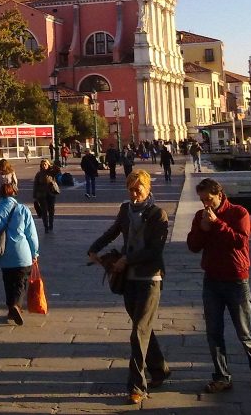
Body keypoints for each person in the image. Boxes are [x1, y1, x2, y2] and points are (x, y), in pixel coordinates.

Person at [87, 170, 170, 405]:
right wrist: (94, 248)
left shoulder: (158, 214)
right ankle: (160, 369)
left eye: (138, 189)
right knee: (142, 328)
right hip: (128, 279)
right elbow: (113, 231)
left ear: (147, 188)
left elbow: (155, 250)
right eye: (131, 189)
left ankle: (136, 386)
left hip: (150, 278)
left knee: (138, 332)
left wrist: (127, 260)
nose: (134, 194)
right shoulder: (125, 209)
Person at [187, 178, 251, 393]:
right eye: (202, 200)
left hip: (236, 280)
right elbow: (193, 246)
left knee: (245, 332)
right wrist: (202, 228)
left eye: (209, 199)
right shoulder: (200, 216)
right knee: (213, 332)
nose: (206, 204)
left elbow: (240, 241)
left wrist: (218, 224)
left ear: (219, 194)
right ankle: (222, 376)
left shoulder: (239, 213)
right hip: (211, 280)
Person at [0, 183, 39, 325]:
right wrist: (35, 252)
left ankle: (10, 308)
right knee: (21, 282)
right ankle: (16, 305)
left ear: (0, 194)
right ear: (14, 193)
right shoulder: (23, 210)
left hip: (3, 253)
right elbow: (31, 234)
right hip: (22, 252)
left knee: (8, 281)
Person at [32, 159, 60, 234]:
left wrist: (52, 165)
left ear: (48, 165)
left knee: (51, 210)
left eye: (45, 164)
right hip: (42, 195)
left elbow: (58, 170)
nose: (44, 166)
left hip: (51, 194)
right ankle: (46, 226)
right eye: (43, 165)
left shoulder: (51, 172)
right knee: (44, 211)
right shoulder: (39, 174)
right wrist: (34, 196)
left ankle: (51, 224)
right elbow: (35, 185)